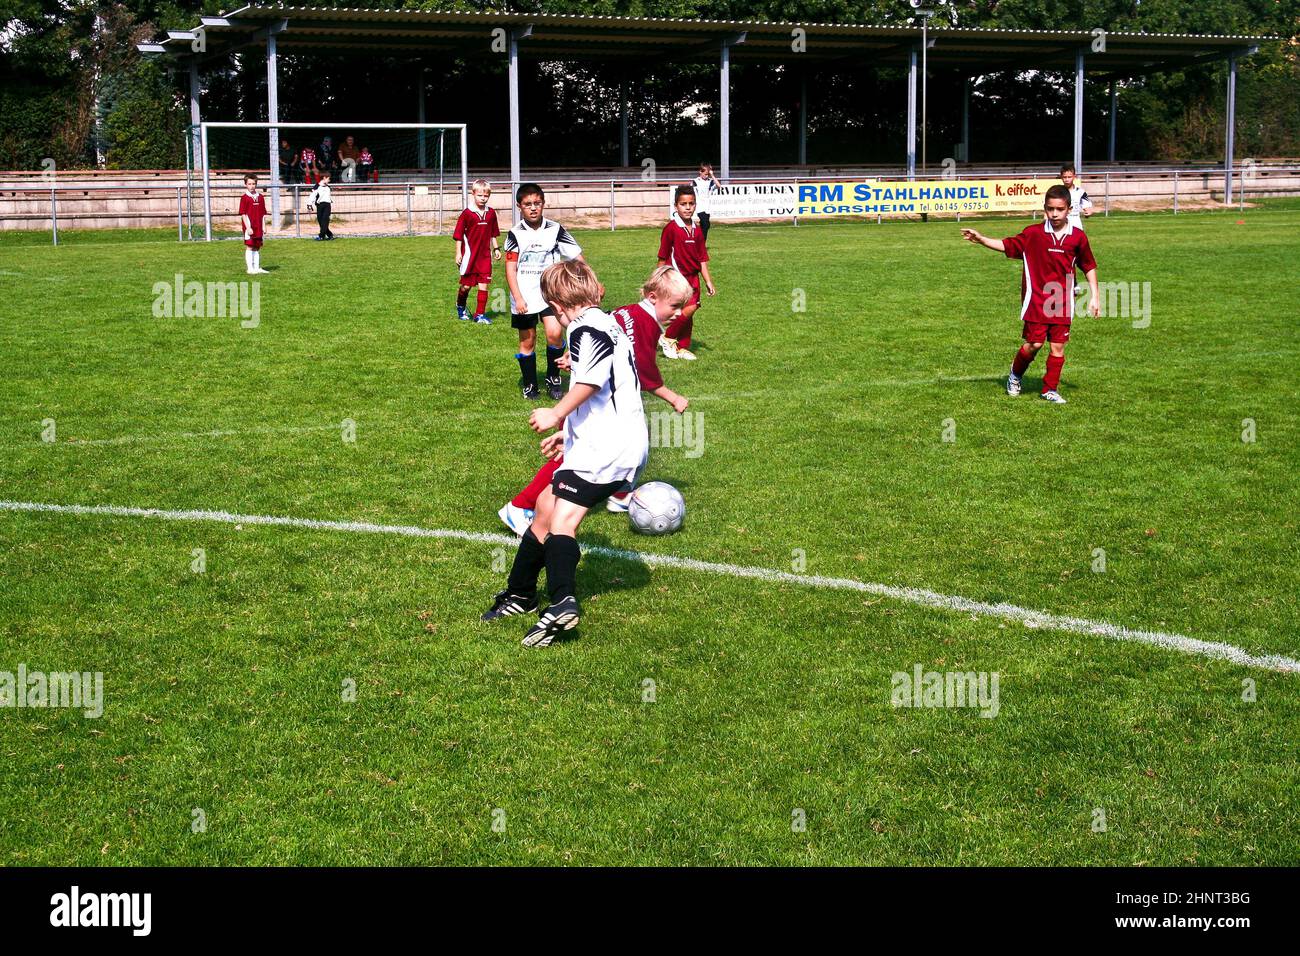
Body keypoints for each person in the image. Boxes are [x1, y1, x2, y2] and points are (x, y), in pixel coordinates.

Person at [481, 259, 649, 648]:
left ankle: (561, 602)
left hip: (606, 447)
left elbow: (590, 382)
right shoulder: (608, 324)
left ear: (556, 304)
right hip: (612, 440)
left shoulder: (584, 328)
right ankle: (521, 594)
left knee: (562, 521)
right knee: (543, 506)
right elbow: (608, 387)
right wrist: (570, 436)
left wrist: (555, 413)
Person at [498, 265, 693, 535]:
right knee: (570, 459)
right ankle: (521, 507)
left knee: (586, 455)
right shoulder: (645, 324)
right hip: (591, 403)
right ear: (652, 298)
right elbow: (643, 371)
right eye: (674, 306)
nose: (679, 313)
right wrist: (672, 397)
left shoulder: (631, 313)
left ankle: (620, 494)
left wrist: (575, 359)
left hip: (596, 399)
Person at [960, 184, 1100, 404]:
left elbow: (1088, 265)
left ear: (1069, 209)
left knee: (1058, 346)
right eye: (1050, 209)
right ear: (1044, 208)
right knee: (1034, 344)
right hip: (1036, 300)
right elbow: (1007, 245)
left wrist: (1095, 296)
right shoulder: (1033, 234)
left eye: (1060, 209)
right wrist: (982, 239)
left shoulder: (1078, 237)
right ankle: (1015, 375)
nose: (1055, 214)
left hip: (1062, 301)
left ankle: (1049, 389)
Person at [503, 183, 583, 400]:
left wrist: (590, 282)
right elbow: (510, 269)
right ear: (519, 206)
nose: (533, 208)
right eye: (527, 204)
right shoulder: (514, 234)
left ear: (543, 204)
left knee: (554, 334)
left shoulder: (556, 230)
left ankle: (553, 377)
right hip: (524, 297)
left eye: (537, 203)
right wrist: (518, 297)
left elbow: (577, 257)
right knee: (527, 341)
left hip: (551, 295)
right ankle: (530, 384)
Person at [657, 184, 716, 361]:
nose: (688, 207)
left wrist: (708, 281)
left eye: (691, 203)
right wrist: (660, 279)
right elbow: (662, 256)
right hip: (677, 278)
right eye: (683, 204)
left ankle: (682, 347)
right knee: (691, 307)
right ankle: (667, 337)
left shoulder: (697, 229)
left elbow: (702, 259)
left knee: (687, 313)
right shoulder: (671, 228)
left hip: (694, 278)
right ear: (676, 206)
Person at [452, 178, 501, 324]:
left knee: (484, 285)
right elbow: (459, 235)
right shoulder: (467, 213)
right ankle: (460, 306)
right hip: (469, 256)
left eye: (486, 196)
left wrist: (496, 248)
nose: (483, 198)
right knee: (466, 286)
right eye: (480, 195)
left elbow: (493, 233)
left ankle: (479, 315)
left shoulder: (491, 213)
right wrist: (458, 253)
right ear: (473, 194)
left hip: (484, 256)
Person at [238, 173, 269, 274]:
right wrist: (248, 227)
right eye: (249, 184)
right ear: (245, 184)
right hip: (250, 227)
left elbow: (263, 213)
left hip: (258, 226)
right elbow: (243, 214)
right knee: (250, 246)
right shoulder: (244, 198)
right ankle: (250, 268)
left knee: (257, 246)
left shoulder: (260, 197)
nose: (252, 186)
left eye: (253, 184)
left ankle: (257, 268)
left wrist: (264, 226)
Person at [1059, 163, 1094, 230]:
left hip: (1076, 224)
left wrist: (1088, 213)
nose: (1067, 180)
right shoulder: (1057, 192)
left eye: (1069, 177)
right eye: (1064, 177)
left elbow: (1087, 207)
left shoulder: (1080, 192)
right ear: (1061, 177)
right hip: (1062, 223)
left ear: (1074, 177)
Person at [691, 161, 721, 239]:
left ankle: (698, 241)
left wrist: (712, 175)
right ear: (700, 172)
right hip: (699, 206)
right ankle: (701, 245)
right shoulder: (696, 181)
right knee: (706, 224)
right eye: (705, 174)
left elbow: (718, 186)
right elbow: (693, 193)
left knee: (705, 226)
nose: (706, 176)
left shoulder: (710, 181)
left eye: (708, 174)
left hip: (707, 207)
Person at [306, 170, 334, 240]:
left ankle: (321, 236)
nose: (329, 180)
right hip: (319, 206)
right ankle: (330, 235)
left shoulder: (328, 187)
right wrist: (309, 204)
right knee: (321, 221)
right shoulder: (317, 187)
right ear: (324, 178)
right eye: (328, 179)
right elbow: (312, 196)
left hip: (327, 205)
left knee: (325, 220)